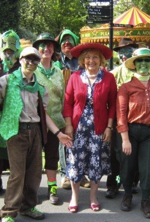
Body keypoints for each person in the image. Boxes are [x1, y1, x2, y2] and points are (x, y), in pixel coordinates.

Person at [0, 47, 72, 222]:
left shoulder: (39, 87)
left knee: (34, 173)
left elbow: (44, 114)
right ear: (21, 59)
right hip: (16, 132)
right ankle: (8, 212)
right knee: (17, 174)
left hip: (35, 132)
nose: (31, 63)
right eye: (28, 59)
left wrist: (58, 133)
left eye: (35, 60)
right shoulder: (7, 81)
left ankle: (28, 206)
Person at [63, 43, 117, 213]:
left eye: (95, 57)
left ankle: (93, 197)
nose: (91, 60)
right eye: (87, 57)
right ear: (82, 60)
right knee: (75, 162)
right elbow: (68, 103)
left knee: (96, 162)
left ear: (100, 60)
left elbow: (113, 104)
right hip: (78, 129)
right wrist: (68, 125)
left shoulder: (108, 78)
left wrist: (109, 127)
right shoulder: (75, 77)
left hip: (99, 129)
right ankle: (75, 197)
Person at [116, 48, 150, 218]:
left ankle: (145, 200)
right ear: (134, 64)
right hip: (129, 132)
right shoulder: (126, 87)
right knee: (127, 166)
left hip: (148, 134)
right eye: (139, 61)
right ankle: (127, 195)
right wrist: (124, 139)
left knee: (148, 168)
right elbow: (121, 113)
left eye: (147, 60)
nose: (143, 63)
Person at [106, 38, 146, 199]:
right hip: (118, 119)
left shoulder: (142, 73)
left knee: (135, 153)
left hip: (137, 119)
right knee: (116, 154)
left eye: (128, 51)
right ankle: (113, 184)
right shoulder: (113, 74)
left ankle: (133, 182)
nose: (124, 54)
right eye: (122, 51)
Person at [0, 30, 21, 193]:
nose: (9, 54)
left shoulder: (22, 66)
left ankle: (18, 183)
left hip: (17, 116)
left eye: (12, 51)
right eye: (6, 51)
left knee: (16, 152)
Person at [55, 29, 90, 189]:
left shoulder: (82, 63)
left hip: (81, 108)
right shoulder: (56, 63)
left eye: (70, 40)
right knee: (65, 141)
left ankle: (81, 174)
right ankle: (65, 174)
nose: (66, 43)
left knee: (82, 141)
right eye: (64, 40)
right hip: (60, 108)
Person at [33, 32, 65, 205]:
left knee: (53, 157)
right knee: (34, 158)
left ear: (54, 49)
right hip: (36, 124)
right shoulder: (32, 70)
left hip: (57, 123)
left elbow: (63, 100)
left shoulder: (59, 72)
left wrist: (66, 124)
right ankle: (33, 189)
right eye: (42, 45)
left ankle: (52, 189)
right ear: (37, 49)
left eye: (50, 45)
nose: (46, 48)